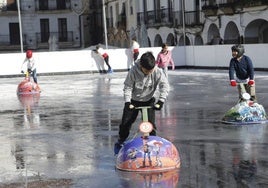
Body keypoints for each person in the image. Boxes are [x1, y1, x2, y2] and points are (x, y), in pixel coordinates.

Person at [114, 52, 169, 155]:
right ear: (141, 66)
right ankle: (120, 142)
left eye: (151, 70)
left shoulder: (157, 71)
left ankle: (154, 148)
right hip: (133, 102)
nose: (149, 72)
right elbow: (128, 87)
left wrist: (161, 100)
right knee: (125, 124)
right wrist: (127, 102)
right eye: (147, 70)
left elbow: (164, 86)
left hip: (148, 100)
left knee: (150, 125)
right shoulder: (133, 71)